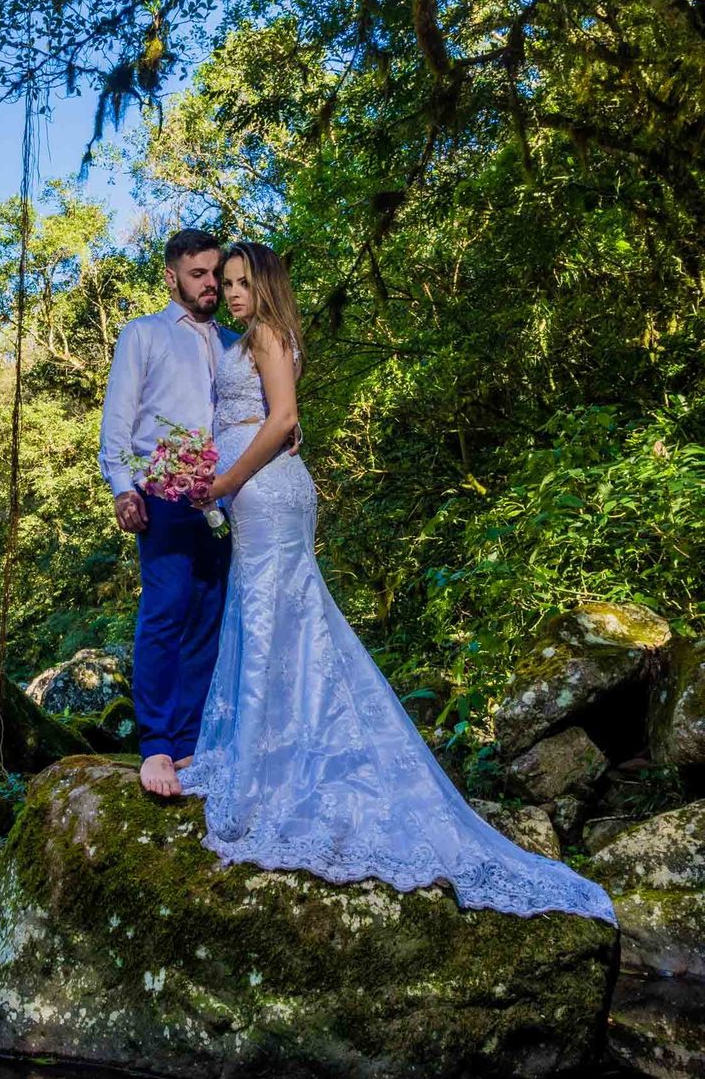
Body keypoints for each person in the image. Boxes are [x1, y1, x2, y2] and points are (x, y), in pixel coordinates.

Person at [178, 241, 616, 924]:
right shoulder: (261, 335)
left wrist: (226, 482)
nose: (232, 293)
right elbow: (277, 415)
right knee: (280, 618)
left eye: (241, 281)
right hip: (264, 493)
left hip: (263, 493)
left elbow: (284, 419)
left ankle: (269, 771)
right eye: (225, 284)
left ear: (263, 284)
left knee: (272, 616)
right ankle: (270, 751)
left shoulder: (265, 332)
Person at [99, 229, 235, 799]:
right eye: (199, 274)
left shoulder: (235, 342)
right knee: (165, 614)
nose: (210, 284)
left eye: (216, 274)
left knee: (210, 617)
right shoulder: (143, 335)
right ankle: (155, 743)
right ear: (172, 275)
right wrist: (123, 489)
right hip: (164, 494)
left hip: (227, 496)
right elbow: (118, 420)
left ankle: (188, 743)